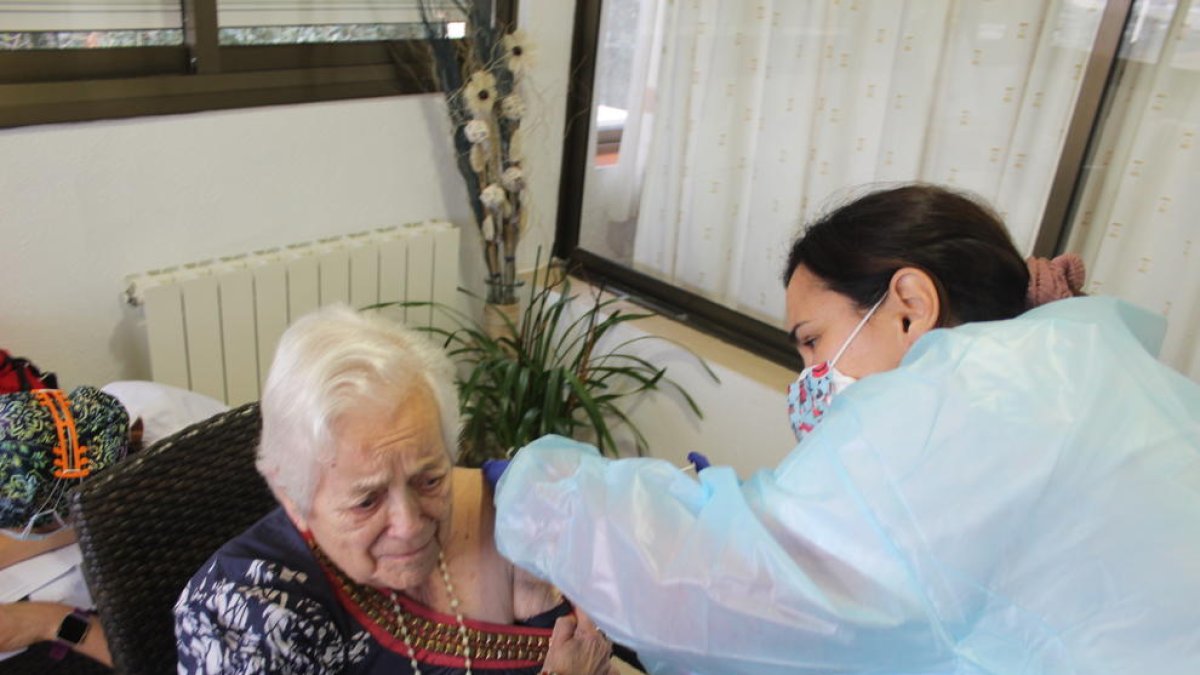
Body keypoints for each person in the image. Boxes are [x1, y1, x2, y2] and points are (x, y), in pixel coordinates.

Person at [490, 183, 1200, 674]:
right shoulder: (1075, 361)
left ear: (909, 305)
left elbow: (720, 588)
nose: (808, 378)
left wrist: (526, 486)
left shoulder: (954, 407)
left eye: (811, 339)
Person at [174, 304, 616, 674]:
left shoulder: (507, 508)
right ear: (291, 496)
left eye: (429, 478)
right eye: (367, 500)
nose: (409, 525)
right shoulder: (248, 613)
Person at [0, 381, 229, 668]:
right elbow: (66, 518)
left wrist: (47, 622)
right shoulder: (118, 404)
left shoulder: (165, 537)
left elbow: (164, 663)